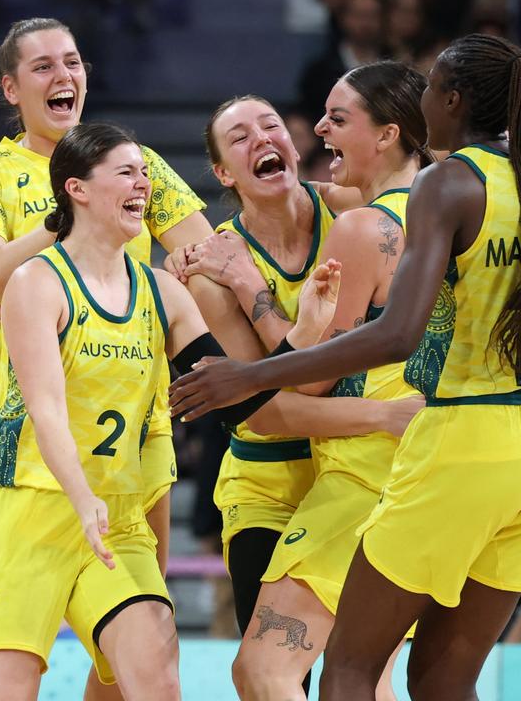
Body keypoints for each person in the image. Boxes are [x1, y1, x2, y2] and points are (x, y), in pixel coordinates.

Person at [170, 34, 521, 700]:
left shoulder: (421, 197)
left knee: (321, 671)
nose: (314, 128)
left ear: (445, 105)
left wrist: (252, 363)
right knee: (440, 682)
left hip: (441, 445)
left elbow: (392, 338)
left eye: (432, 87)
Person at [0, 122, 339, 699]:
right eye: (126, 172)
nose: (143, 184)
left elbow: (241, 395)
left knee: (156, 675)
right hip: (28, 511)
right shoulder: (35, 282)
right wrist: (81, 499)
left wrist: (304, 332)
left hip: (117, 517)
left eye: (146, 173)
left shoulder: (162, 291)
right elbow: (46, 411)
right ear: (76, 189)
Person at [0, 19, 214, 698]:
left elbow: (203, 252)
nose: (63, 76)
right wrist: (64, 222)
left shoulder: (134, 162)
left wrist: (182, 269)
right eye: (42, 67)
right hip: (34, 457)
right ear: (10, 88)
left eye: (72, 61)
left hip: (135, 433)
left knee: (141, 661)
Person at [198, 61, 430, 700]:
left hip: (359, 465)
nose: (261, 139)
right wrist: (387, 417)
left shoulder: (355, 211)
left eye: (269, 125)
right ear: (223, 174)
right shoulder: (212, 265)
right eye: (238, 138)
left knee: (320, 671)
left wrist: (256, 291)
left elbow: (306, 380)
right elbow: (265, 410)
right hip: (273, 479)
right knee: (305, 673)